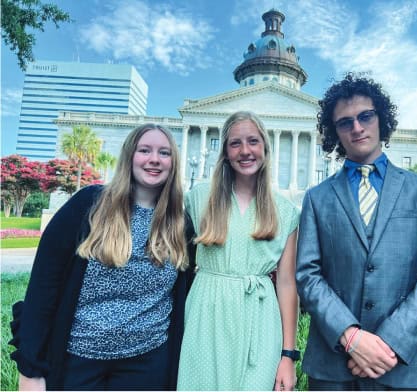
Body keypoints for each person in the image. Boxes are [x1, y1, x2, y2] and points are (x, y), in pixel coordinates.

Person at [10, 123, 195, 391]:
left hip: (148, 362)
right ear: (130, 156)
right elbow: (43, 287)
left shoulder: (179, 222)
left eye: (164, 153)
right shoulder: (89, 204)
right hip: (79, 358)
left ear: (173, 163)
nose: (154, 159)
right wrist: (31, 369)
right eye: (145, 150)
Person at [296, 73, 417, 390]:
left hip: (402, 364)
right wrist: (350, 336)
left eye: (365, 116)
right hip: (334, 365)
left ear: (381, 117)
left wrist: (388, 343)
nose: (356, 127)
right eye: (344, 122)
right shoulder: (317, 197)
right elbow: (308, 275)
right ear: (334, 132)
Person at [177, 111, 300, 391]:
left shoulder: (286, 211)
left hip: (260, 321)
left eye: (253, 141)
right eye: (235, 143)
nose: (245, 151)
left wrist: (288, 356)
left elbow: (286, 282)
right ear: (225, 152)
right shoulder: (198, 198)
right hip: (206, 317)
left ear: (265, 149)